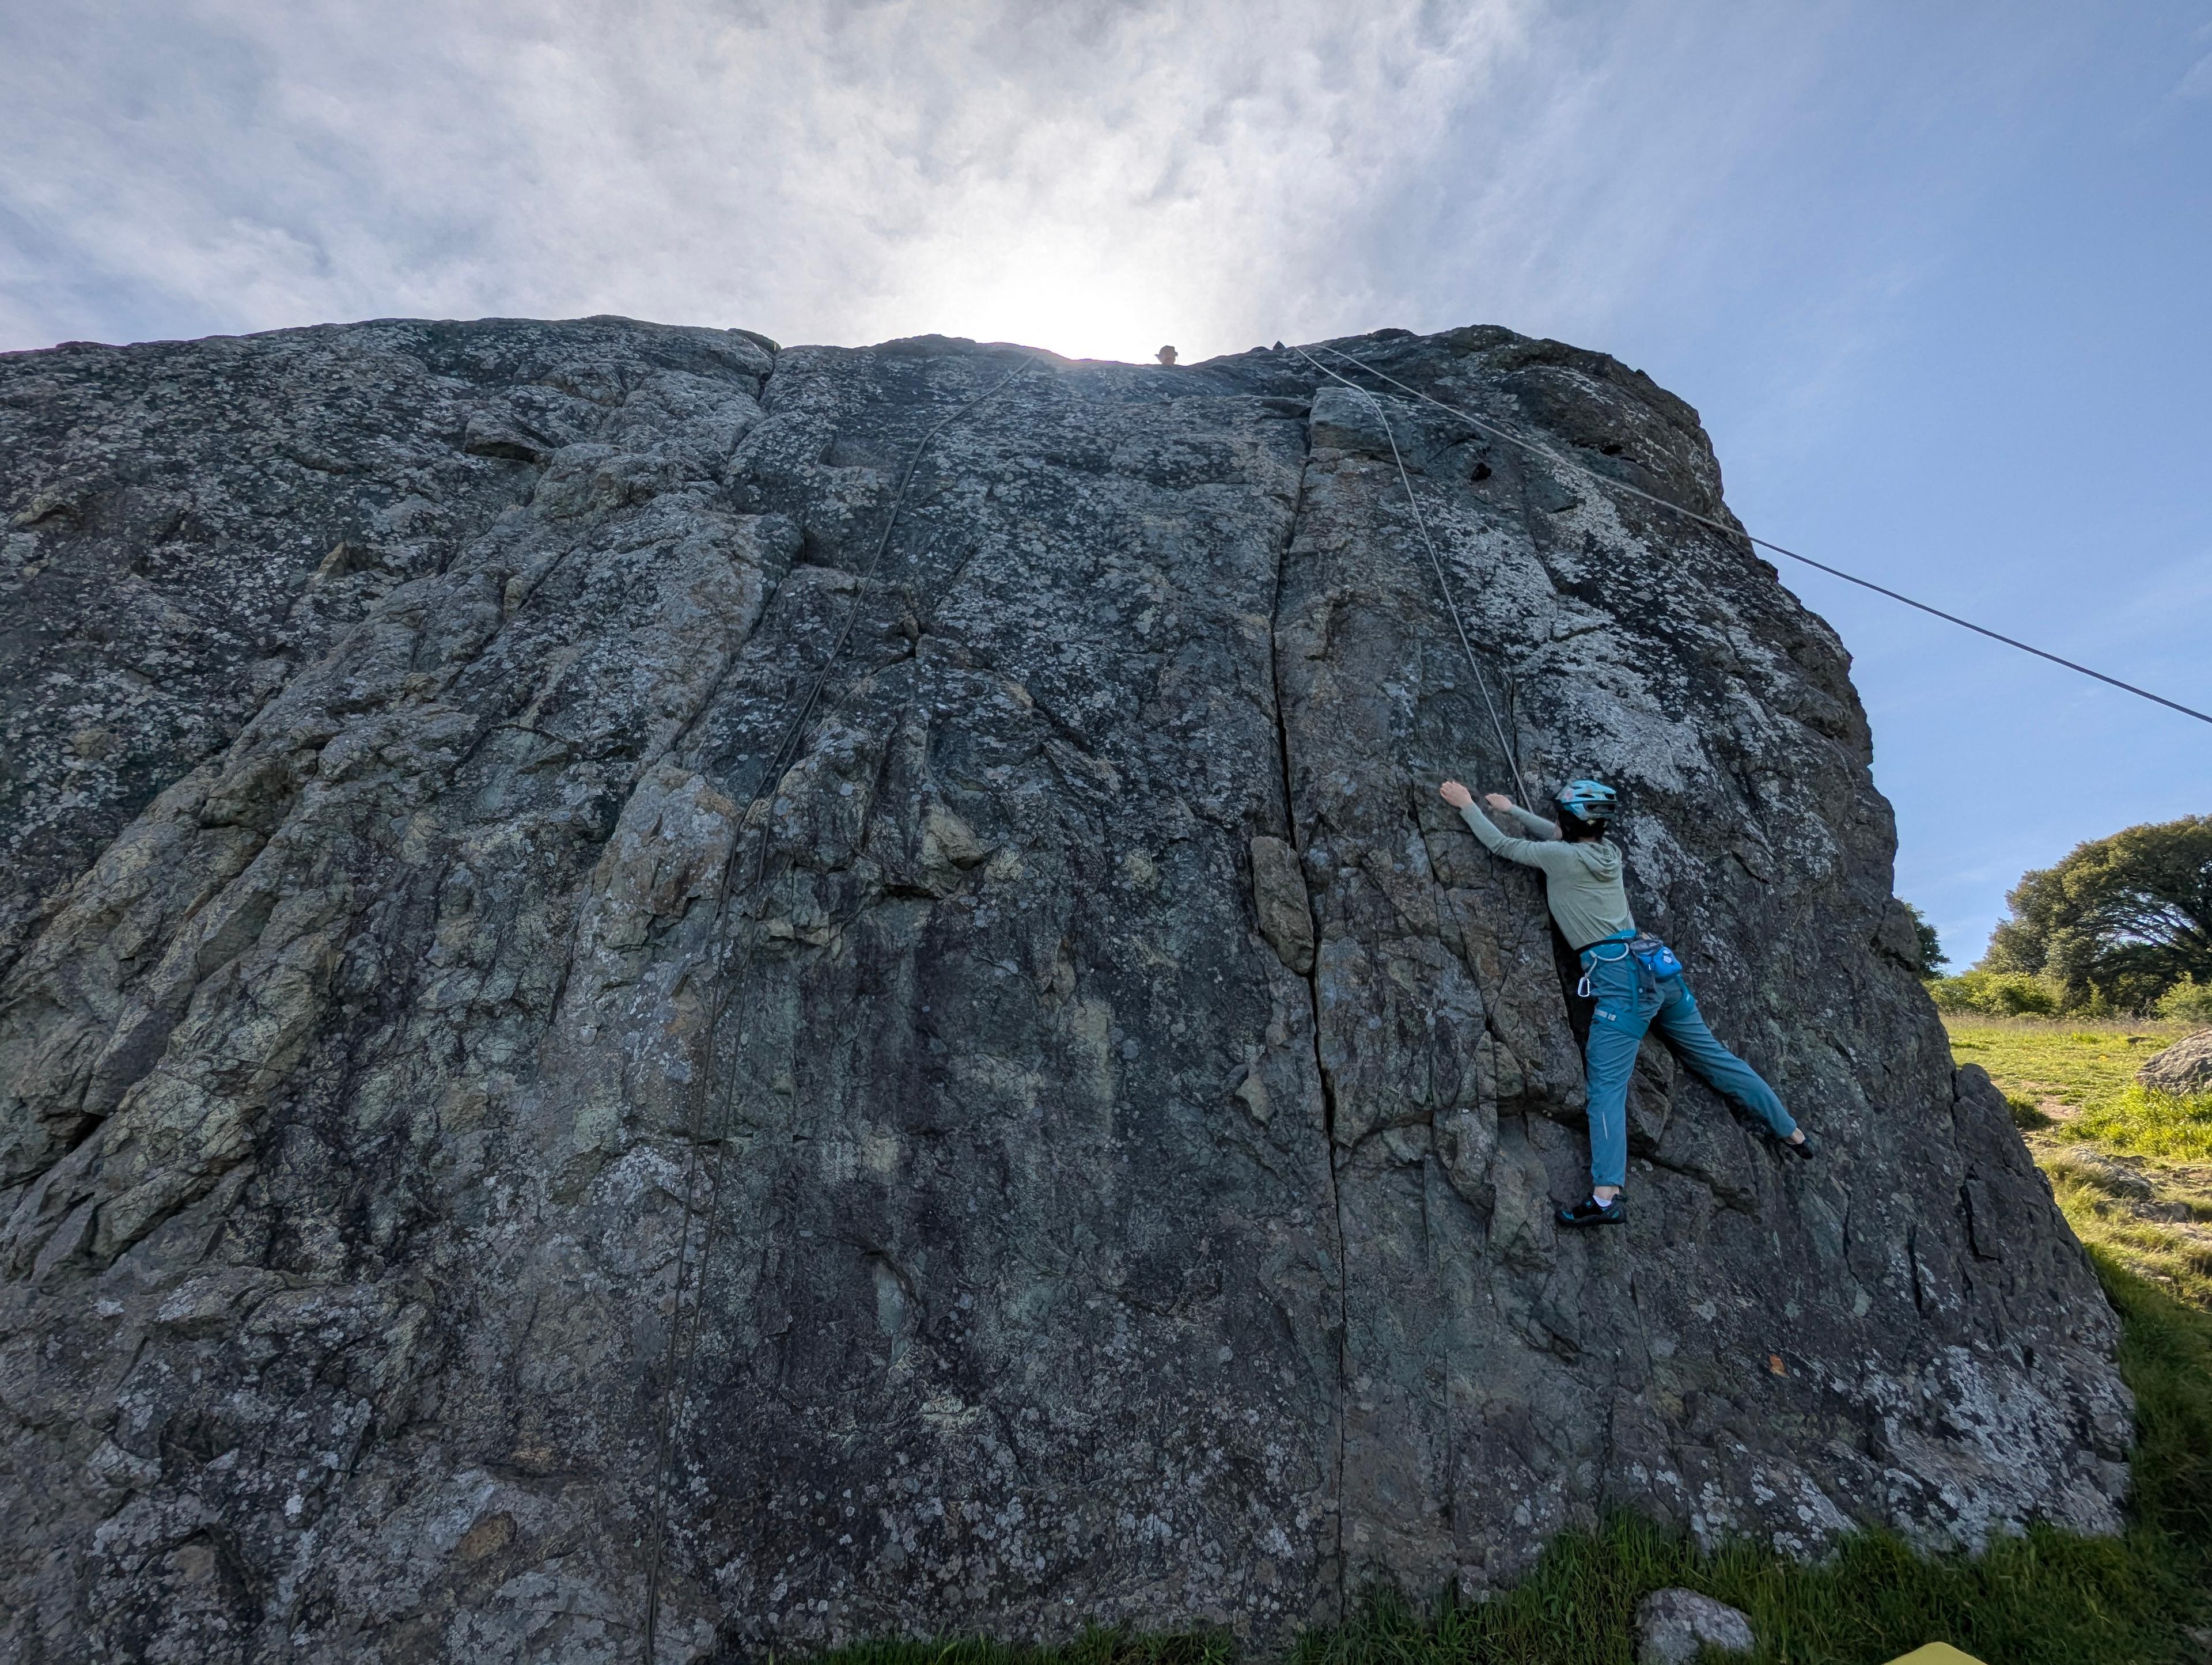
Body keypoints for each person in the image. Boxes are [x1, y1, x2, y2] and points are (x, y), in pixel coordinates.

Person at [1438, 776, 1816, 1227]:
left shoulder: (1561, 857)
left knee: (1606, 1089)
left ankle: (1605, 1198)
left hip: (1622, 982)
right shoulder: (1607, 853)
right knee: (1715, 1058)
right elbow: (1558, 836)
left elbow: (1502, 846)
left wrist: (1467, 804)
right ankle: (1791, 1131)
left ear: (1568, 822)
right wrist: (1513, 810)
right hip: (1657, 968)